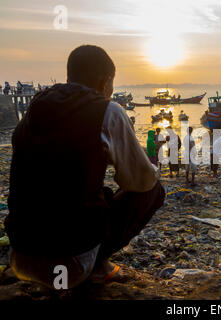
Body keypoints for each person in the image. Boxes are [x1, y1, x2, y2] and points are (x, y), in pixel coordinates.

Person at [5, 45, 165, 289]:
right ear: (105, 81)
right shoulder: (107, 110)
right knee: (154, 191)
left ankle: (89, 262)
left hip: (21, 257)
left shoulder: (35, 108)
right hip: (70, 267)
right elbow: (141, 181)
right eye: (112, 83)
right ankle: (98, 266)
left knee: (97, 195)